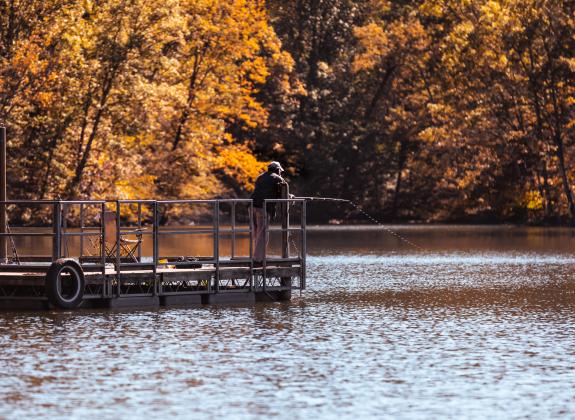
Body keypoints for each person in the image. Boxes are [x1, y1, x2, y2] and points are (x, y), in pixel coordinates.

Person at [251, 161, 289, 263]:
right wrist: (290, 197)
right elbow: (283, 193)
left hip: (252, 206)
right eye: (280, 171)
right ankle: (258, 259)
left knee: (256, 232)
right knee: (262, 233)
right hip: (262, 207)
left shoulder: (260, 177)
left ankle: (256, 256)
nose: (281, 173)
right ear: (277, 170)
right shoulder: (277, 178)